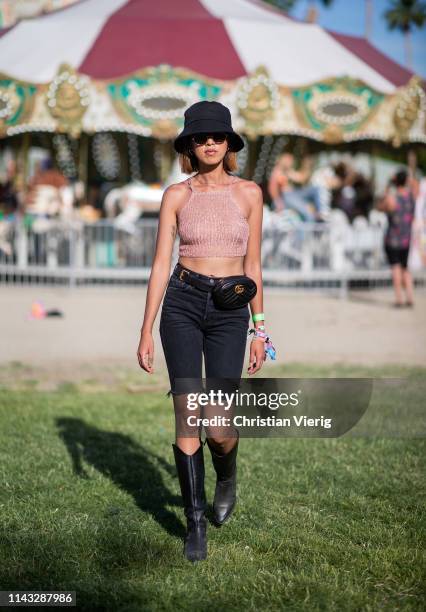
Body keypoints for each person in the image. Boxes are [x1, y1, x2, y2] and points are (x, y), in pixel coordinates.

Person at [136, 101, 272, 562]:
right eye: (201, 137)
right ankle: (195, 524)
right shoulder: (176, 195)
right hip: (182, 303)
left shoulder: (250, 193)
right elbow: (160, 264)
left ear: (229, 144)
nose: (210, 143)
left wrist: (261, 330)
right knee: (188, 416)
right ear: (190, 145)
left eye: (218, 136)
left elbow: (253, 266)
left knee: (219, 426)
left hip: (231, 309)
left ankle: (227, 475)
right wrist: (146, 328)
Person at [380, 169, 418, 308]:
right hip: (406, 240)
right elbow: (415, 186)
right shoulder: (411, 197)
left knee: (396, 269)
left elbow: (380, 206)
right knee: (406, 269)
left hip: (392, 240)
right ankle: (410, 297)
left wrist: (388, 185)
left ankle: (399, 299)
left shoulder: (392, 198)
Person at [268, 153, 322, 221]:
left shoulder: (288, 171)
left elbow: (301, 178)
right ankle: (309, 227)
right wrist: (278, 202)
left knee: (316, 189)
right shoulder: (277, 172)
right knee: (307, 212)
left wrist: (306, 166)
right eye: (289, 160)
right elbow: (272, 189)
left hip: (294, 194)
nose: (291, 162)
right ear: (282, 160)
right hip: (287, 196)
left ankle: (321, 212)